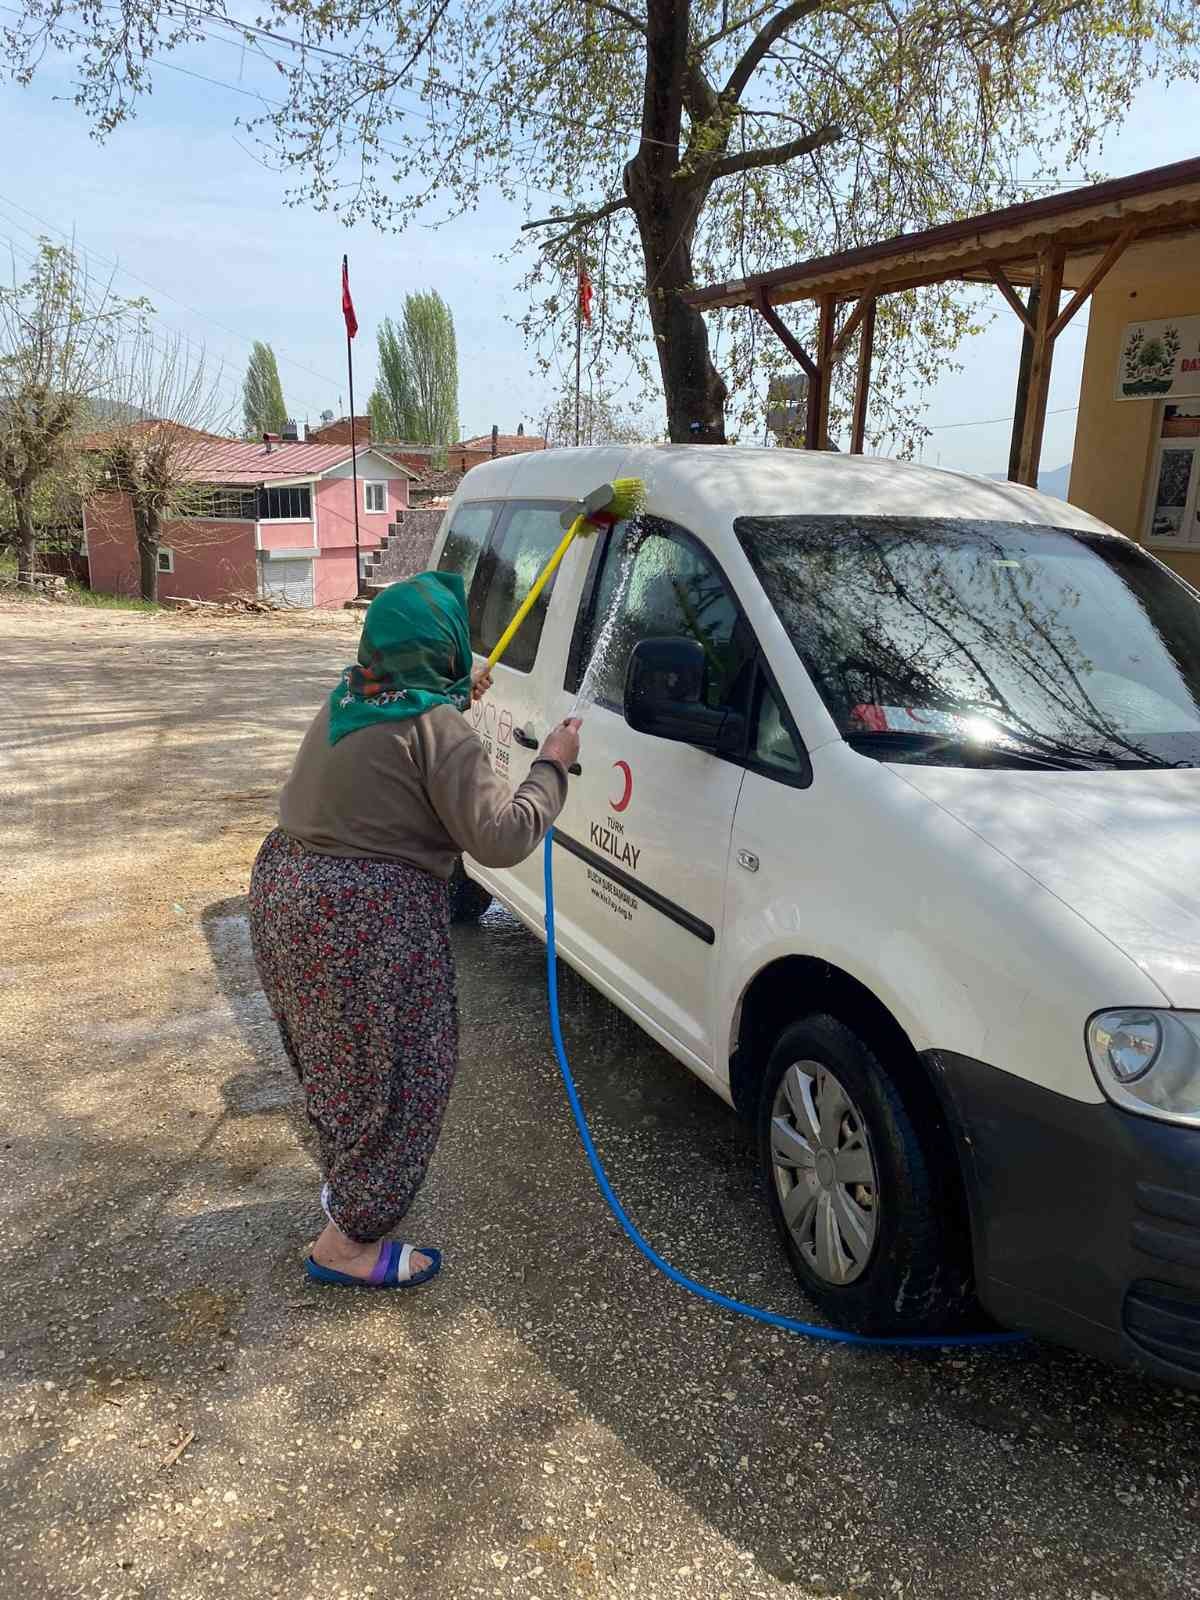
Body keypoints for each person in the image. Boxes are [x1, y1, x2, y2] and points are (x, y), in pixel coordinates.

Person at [248, 571, 581, 1290]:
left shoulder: (356, 694)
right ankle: (347, 1242)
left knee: (343, 1064)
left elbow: (408, 732)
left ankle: (351, 1187)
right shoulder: (439, 729)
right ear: (446, 651)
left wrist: (453, 703)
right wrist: (552, 767)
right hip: (365, 919)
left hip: (287, 892)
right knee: (404, 1073)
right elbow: (500, 837)